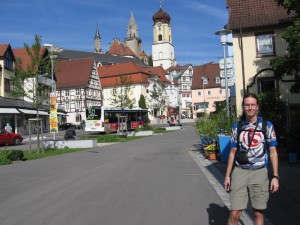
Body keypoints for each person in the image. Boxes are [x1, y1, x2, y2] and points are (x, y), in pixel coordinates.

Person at [224, 93, 279, 225]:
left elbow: (273, 152)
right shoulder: (237, 127)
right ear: (243, 107)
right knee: (235, 213)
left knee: (258, 213)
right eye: (247, 105)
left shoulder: (267, 126)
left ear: (257, 107)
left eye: (252, 105)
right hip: (240, 171)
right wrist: (227, 175)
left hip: (259, 172)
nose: (250, 108)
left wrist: (275, 177)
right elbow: (232, 152)